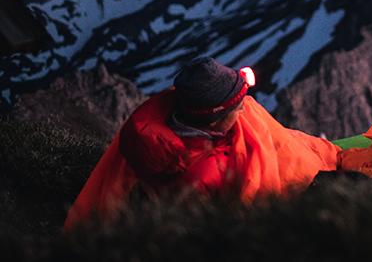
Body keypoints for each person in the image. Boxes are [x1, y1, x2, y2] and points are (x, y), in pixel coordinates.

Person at [65, 57, 340, 228]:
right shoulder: (207, 173)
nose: (245, 110)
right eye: (237, 109)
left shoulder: (152, 129)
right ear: (215, 120)